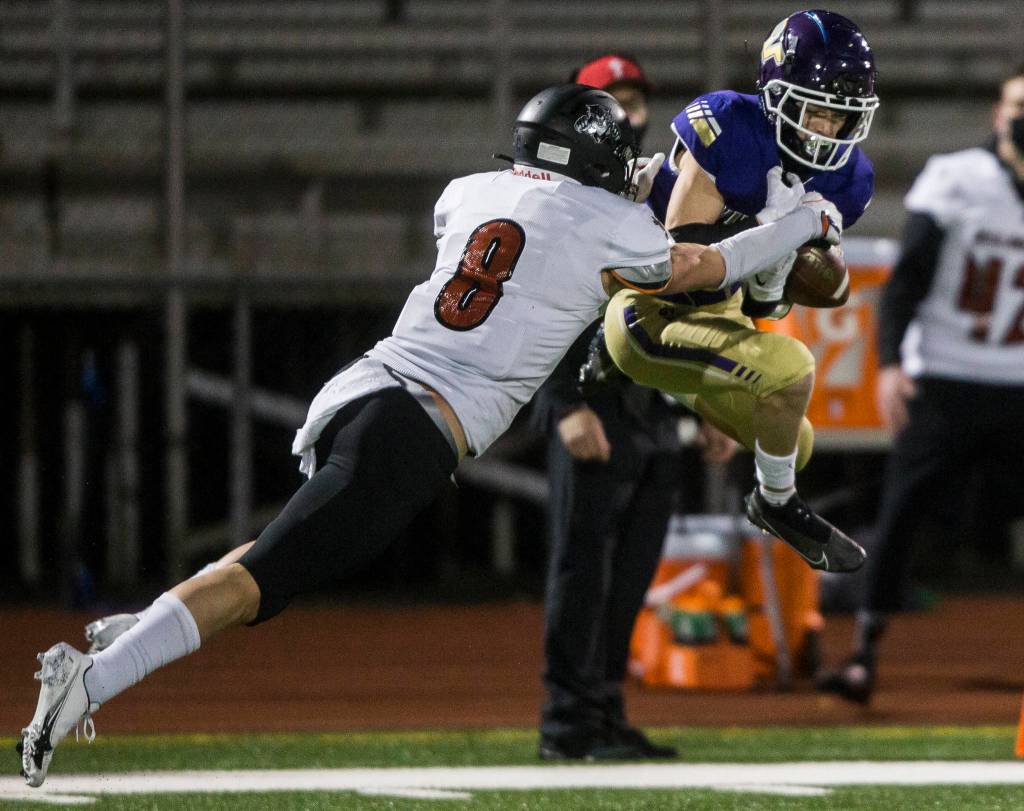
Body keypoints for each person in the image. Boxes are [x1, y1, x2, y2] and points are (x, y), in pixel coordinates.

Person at [18, 82, 842, 788]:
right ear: (589, 157)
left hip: (363, 390)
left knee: (270, 552)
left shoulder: (465, 192)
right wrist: (797, 220)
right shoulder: (605, 224)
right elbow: (701, 267)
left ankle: (137, 630)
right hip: (417, 426)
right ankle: (90, 680)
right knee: (266, 583)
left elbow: (529, 234)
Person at [587, 9, 878, 574]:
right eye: (816, 110)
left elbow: (770, 300)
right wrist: (785, 232)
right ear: (775, 95)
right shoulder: (728, 124)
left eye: (841, 119)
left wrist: (781, 265)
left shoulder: (849, 177)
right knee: (791, 369)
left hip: (718, 316)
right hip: (646, 309)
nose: (826, 130)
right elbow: (680, 269)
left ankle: (761, 478)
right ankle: (777, 505)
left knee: (795, 439)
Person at [533, 54, 737, 761]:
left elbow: (684, 304)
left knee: (627, 579)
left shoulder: (663, 189)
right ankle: (566, 724)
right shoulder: (556, 196)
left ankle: (605, 713)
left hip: (649, 408)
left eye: (633, 98)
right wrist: (563, 403)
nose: (628, 109)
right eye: (609, 98)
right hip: (594, 403)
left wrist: (713, 400)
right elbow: (538, 309)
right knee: (581, 570)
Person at [818, 64, 1024, 704]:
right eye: (1020, 104)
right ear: (998, 113)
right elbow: (906, 280)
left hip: (1019, 381)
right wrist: (889, 365)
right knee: (903, 515)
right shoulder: (956, 177)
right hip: (947, 374)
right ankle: (862, 656)